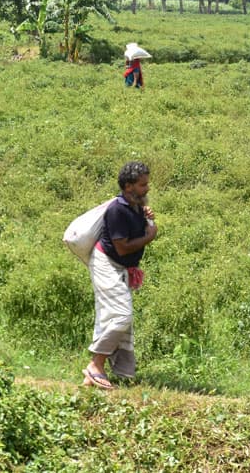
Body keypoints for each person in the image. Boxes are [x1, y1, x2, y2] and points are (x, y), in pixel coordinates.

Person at [83, 161, 158, 390]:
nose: (147, 188)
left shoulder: (135, 206)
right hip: (107, 264)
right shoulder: (117, 209)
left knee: (111, 317)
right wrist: (151, 235)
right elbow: (123, 247)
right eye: (142, 185)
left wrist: (146, 218)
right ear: (128, 186)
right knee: (122, 315)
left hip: (120, 267)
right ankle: (95, 365)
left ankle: (92, 378)